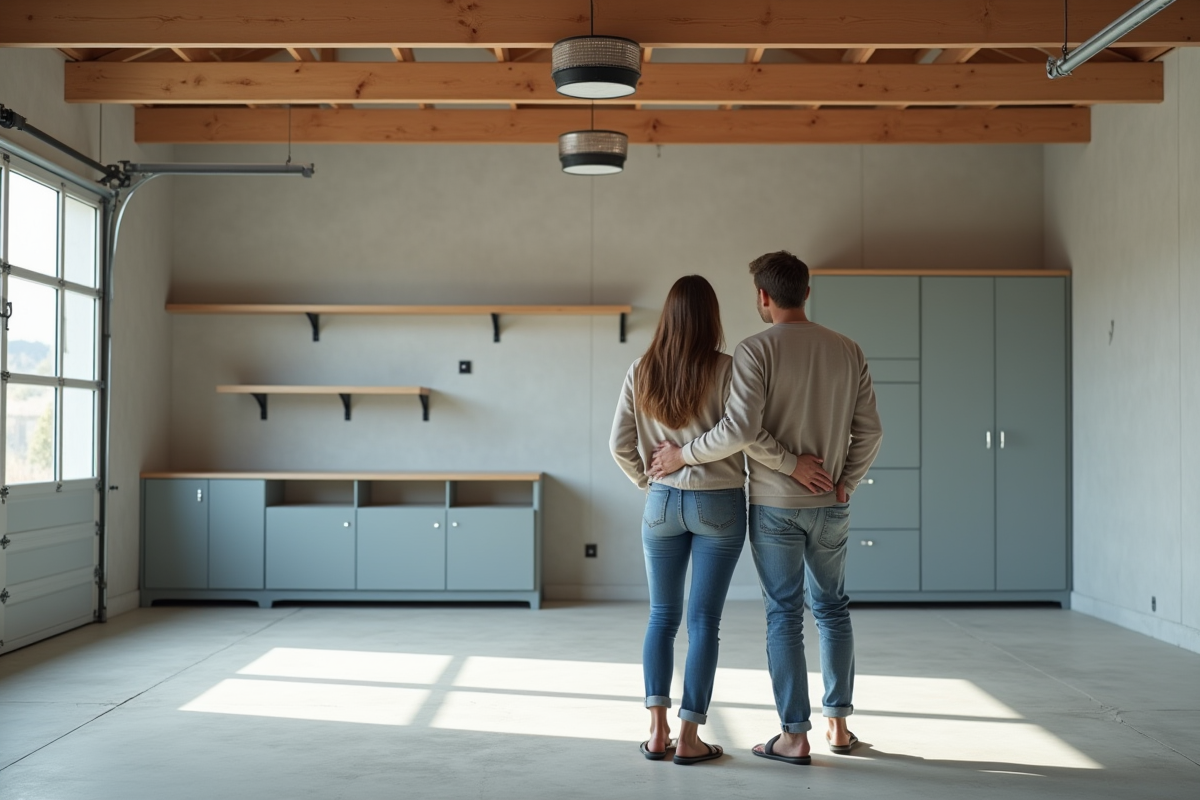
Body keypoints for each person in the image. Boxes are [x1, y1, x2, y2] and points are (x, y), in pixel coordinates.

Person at [649, 251, 883, 766]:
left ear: (763, 296)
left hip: (775, 503)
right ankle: (839, 727)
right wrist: (847, 480)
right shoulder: (848, 350)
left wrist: (687, 456)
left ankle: (794, 736)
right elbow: (871, 431)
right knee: (834, 609)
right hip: (832, 505)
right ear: (806, 290)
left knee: (784, 615)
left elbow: (741, 431)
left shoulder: (754, 351)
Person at [610, 274, 829, 766]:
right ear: (712, 317)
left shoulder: (640, 370)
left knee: (661, 618)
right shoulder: (730, 369)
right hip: (720, 504)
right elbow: (745, 435)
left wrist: (651, 483)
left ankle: (657, 731)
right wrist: (791, 463)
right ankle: (690, 736)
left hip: (662, 504)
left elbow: (619, 445)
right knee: (704, 621)